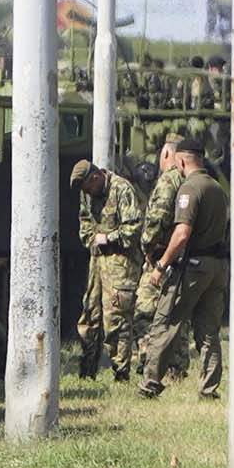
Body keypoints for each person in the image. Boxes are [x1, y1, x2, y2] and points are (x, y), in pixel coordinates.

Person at [138, 137, 229, 399]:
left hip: (192, 268)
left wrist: (162, 265)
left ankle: (150, 384)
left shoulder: (189, 190)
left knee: (166, 323)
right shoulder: (216, 188)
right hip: (217, 268)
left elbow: (182, 234)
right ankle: (209, 389)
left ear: (180, 160)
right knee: (209, 330)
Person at [71, 159, 142, 381]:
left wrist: (108, 238)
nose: (87, 194)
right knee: (90, 316)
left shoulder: (121, 189)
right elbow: (85, 223)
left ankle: (120, 373)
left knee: (116, 319)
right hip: (97, 263)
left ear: (96, 177)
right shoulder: (87, 195)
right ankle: (87, 371)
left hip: (120, 264)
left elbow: (134, 227)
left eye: (88, 188)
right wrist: (92, 238)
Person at [133, 136, 191, 380]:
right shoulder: (189, 180)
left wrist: (147, 245)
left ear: (167, 155)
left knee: (145, 311)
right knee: (177, 314)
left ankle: (149, 362)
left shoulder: (168, 180)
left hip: (160, 255)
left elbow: (157, 217)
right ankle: (177, 368)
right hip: (183, 255)